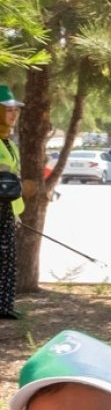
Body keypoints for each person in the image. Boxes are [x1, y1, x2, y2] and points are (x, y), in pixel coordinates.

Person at [0, 85, 24, 320]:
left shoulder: (9, 142)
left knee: (7, 256)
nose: (13, 114)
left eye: (15, 110)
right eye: (7, 110)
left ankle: (4, 307)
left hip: (7, 208)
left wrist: (16, 213)